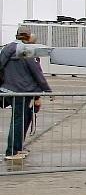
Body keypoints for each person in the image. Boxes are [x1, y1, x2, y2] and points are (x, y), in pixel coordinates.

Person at [2, 26, 53, 162]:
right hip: (22, 91)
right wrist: (47, 90)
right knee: (19, 120)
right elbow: (36, 73)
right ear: (29, 37)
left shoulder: (7, 48)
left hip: (7, 90)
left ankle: (17, 148)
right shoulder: (27, 51)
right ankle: (12, 150)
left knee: (21, 119)